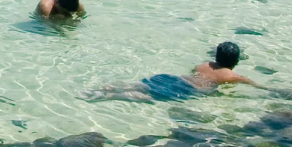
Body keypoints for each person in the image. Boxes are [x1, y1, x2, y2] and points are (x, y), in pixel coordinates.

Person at [87, 41, 259, 102]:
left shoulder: (203, 64)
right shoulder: (232, 76)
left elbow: (196, 73)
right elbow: (256, 87)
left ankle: (105, 88)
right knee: (148, 97)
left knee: (139, 85)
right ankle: (108, 96)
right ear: (236, 61)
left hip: (172, 79)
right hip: (186, 90)